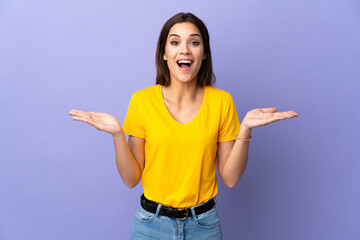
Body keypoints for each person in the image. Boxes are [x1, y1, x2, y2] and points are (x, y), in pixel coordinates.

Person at [68, 12, 298, 240]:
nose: (185, 49)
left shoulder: (221, 102)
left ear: (204, 53)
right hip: (151, 226)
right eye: (175, 42)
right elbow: (130, 180)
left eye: (194, 42)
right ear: (164, 54)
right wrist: (118, 136)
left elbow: (230, 178)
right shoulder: (142, 101)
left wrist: (245, 129)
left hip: (204, 227)